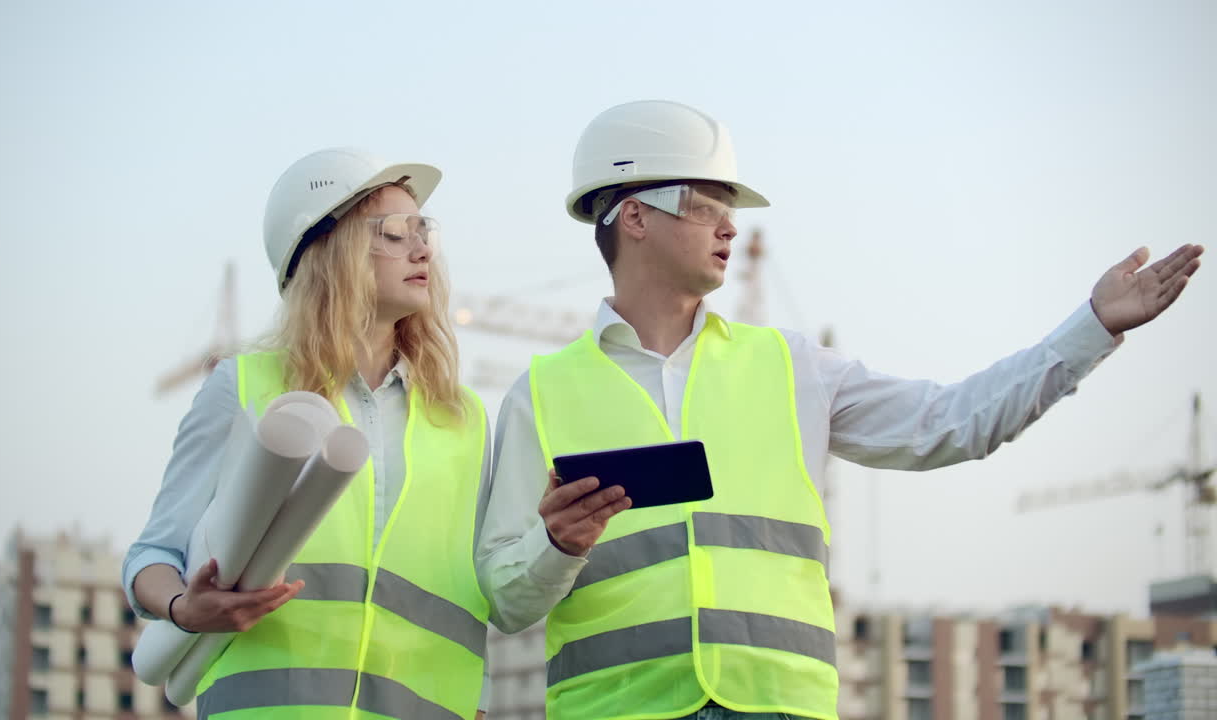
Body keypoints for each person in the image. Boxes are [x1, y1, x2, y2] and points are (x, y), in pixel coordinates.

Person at [477, 100, 1204, 720]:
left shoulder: (790, 366)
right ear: (633, 216)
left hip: (781, 706)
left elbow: (951, 422)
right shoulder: (541, 392)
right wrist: (558, 547)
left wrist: (1091, 328)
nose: (729, 227)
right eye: (705, 205)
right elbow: (507, 601)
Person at [124, 147, 493, 720]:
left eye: (424, 231)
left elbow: (476, 589)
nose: (421, 249)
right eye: (395, 232)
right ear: (330, 250)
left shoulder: (461, 416)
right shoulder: (244, 386)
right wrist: (181, 607)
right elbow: (153, 553)